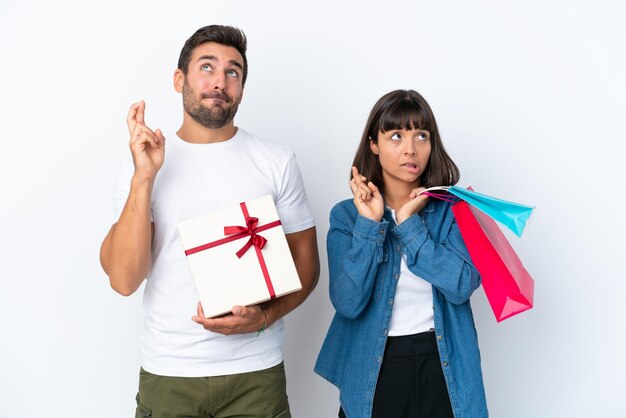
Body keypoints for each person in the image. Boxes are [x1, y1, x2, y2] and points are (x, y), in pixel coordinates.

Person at [100, 25, 320, 418]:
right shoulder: (141, 164)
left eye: (233, 72)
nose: (220, 81)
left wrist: (265, 317)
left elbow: (306, 264)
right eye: (207, 67)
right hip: (169, 372)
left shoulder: (276, 161)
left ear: (241, 88)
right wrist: (144, 177)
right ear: (179, 79)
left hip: (256, 373)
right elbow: (123, 279)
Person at [314, 90, 488, 417]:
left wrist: (409, 224)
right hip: (376, 367)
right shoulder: (347, 217)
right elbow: (348, 302)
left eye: (421, 135)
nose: (411, 148)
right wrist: (369, 223)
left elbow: (463, 285)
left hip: (443, 364)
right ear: (373, 144)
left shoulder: (453, 211)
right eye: (396, 136)